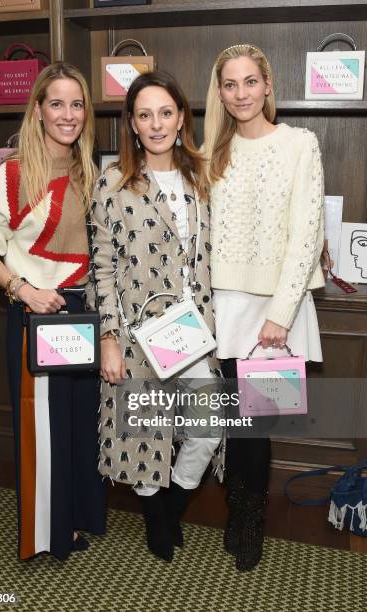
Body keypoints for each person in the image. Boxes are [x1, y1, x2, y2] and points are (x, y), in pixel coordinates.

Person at [0, 62, 106, 561]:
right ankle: (47, 534)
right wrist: (23, 290)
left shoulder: (93, 172)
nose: (68, 114)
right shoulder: (12, 176)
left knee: (80, 427)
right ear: (38, 110)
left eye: (77, 103)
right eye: (57, 103)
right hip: (37, 317)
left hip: (84, 315)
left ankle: (78, 517)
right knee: (43, 431)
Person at [87, 70, 222, 563]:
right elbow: (101, 266)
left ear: (182, 116)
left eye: (166, 112)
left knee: (207, 427)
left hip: (192, 329)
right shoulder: (113, 182)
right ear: (132, 124)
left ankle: (172, 504)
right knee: (143, 432)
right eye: (145, 115)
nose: (157, 123)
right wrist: (108, 338)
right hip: (138, 328)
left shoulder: (201, 175)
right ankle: (154, 518)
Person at [204, 44, 325, 571]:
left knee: (260, 422)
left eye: (250, 82)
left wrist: (280, 312)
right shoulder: (210, 150)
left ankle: (251, 524)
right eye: (230, 85)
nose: (241, 94)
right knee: (235, 421)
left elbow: (306, 234)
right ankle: (237, 512)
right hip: (224, 305)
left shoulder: (301, 144)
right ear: (221, 92)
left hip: (279, 309)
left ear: (268, 85)